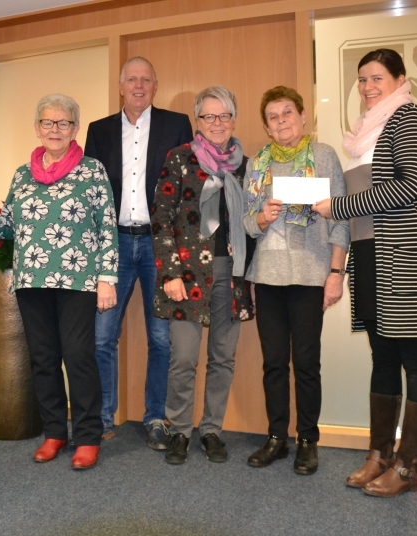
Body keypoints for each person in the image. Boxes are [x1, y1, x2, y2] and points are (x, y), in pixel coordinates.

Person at [313, 48, 417, 497]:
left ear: (399, 79)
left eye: (377, 78)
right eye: (361, 80)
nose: (367, 87)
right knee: (383, 358)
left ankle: (409, 468)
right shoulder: (365, 132)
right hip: (373, 254)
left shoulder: (409, 118)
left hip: (409, 255)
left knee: (416, 360)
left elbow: (415, 185)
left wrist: (339, 206)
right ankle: (380, 454)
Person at [0, 94, 118, 470]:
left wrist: (107, 278)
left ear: (75, 128)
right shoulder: (23, 173)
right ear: (37, 126)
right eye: (47, 122)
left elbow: (107, 226)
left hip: (78, 280)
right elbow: (9, 225)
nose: (55, 129)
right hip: (32, 279)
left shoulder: (92, 171)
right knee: (42, 359)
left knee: (78, 356)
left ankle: (88, 436)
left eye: (64, 123)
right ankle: (55, 432)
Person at [85, 56, 193, 448]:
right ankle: (101, 416)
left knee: (161, 339)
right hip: (112, 244)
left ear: (155, 85)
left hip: (157, 245)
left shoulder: (176, 124)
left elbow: (186, 186)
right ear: (120, 85)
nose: (139, 85)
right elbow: (93, 193)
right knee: (100, 337)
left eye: (146, 79)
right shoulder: (98, 131)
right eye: (132, 79)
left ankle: (155, 417)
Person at [242, 86, 349, 475]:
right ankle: (276, 438)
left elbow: (340, 218)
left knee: (305, 362)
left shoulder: (323, 156)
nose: (281, 120)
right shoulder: (257, 163)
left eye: (288, 112)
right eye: (273, 116)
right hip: (268, 275)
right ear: (267, 127)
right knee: (273, 363)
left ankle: (308, 440)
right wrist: (262, 218)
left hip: (310, 273)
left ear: (303, 116)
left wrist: (336, 274)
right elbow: (246, 225)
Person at [151, 86, 253, 465]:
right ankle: (179, 430)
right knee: (183, 359)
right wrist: (170, 274)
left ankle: (211, 429)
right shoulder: (179, 159)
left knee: (223, 358)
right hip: (186, 274)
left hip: (232, 272)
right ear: (198, 121)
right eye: (209, 116)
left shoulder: (247, 165)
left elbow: (253, 222)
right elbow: (161, 220)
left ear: (233, 119)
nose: (217, 123)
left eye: (224, 115)